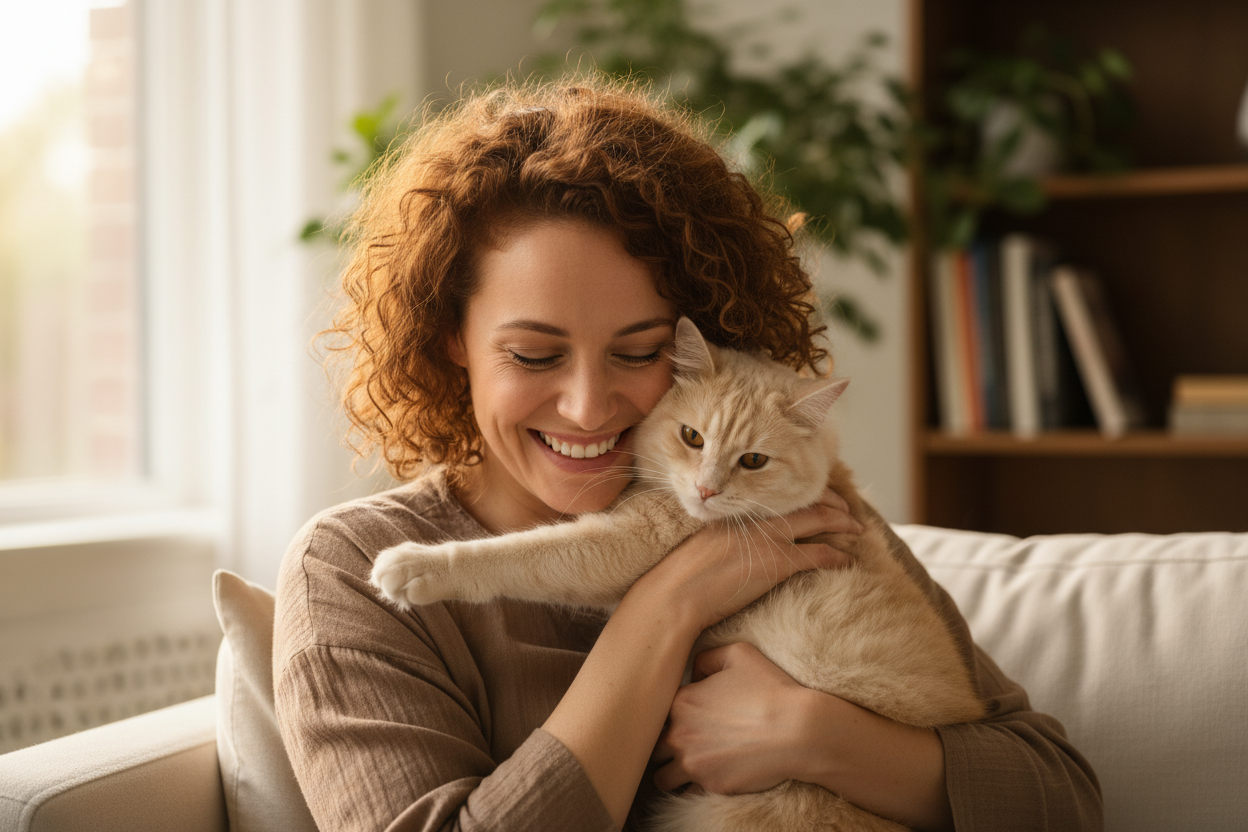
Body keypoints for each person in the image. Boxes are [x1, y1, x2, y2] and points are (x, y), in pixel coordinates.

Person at [273, 76, 1102, 832]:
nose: (589, 407)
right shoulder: (352, 570)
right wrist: (665, 606)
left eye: (638, 353)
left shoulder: (793, 500)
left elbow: (1059, 798)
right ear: (451, 339)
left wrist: (814, 736)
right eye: (533, 355)